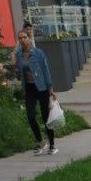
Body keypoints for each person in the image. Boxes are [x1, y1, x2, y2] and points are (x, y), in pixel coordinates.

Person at [14, 27, 57, 156]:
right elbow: (18, 74)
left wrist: (50, 90)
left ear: (29, 38)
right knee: (31, 116)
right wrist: (4, 71)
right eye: (20, 38)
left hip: (42, 87)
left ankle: (52, 145)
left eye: (24, 37)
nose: (22, 40)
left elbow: (46, 71)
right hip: (29, 88)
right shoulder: (18, 55)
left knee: (45, 117)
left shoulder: (39, 53)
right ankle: (40, 142)